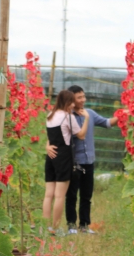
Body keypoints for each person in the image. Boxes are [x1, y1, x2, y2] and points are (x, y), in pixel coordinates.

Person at [47, 85, 118, 234]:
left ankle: (84, 225)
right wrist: (47, 146)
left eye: (83, 96)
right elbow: (57, 136)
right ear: (71, 99)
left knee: (86, 195)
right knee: (71, 195)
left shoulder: (90, 113)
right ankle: (71, 224)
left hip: (88, 160)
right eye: (79, 97)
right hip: (74, 161)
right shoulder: (67, 115)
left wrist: (122, 116)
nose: (83, 100)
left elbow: (106, 123)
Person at [43, 90, 90, 237]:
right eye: (71, 102)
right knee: (59, 195)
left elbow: (51, 138)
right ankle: (55, 228)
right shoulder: (68, 117)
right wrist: (86, 118)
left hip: (50, 156)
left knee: (48, 195)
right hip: (63, 157)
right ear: (67, 102)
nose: (73, 105)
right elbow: (81, 135)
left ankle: (45, 227)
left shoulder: (49, 115)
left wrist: (47, 146)